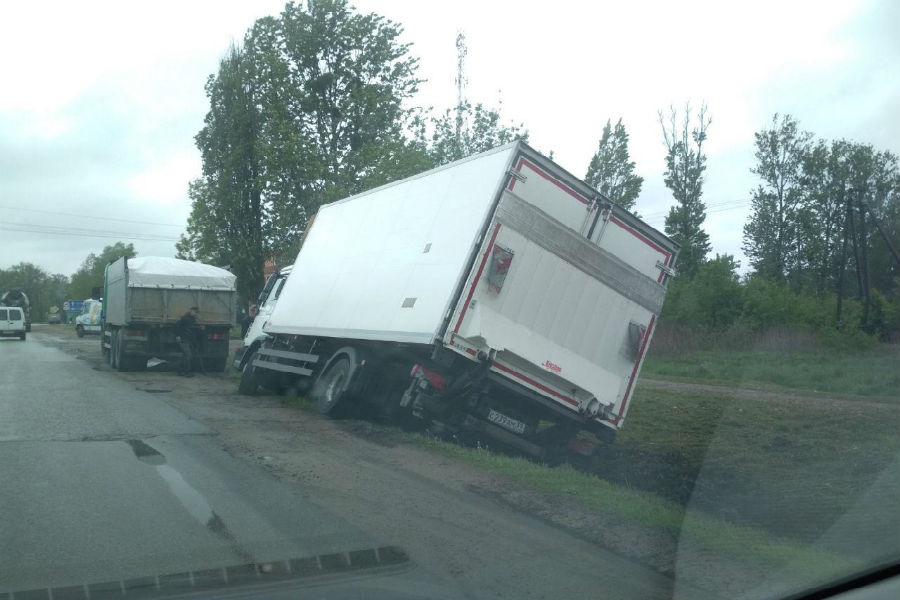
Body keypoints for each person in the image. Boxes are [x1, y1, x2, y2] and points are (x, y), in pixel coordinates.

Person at [175, 306, 199, 377]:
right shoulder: (185, 318)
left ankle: (181, 371)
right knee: (188, 355)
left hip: (187, 339)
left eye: (196, 312)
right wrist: (178, 336)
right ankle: (185, 372)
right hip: (183, 339)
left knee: (185, 355)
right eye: (194, 311)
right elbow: (177, 325)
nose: (195, 313)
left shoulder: (192, 319)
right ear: (191, 310)